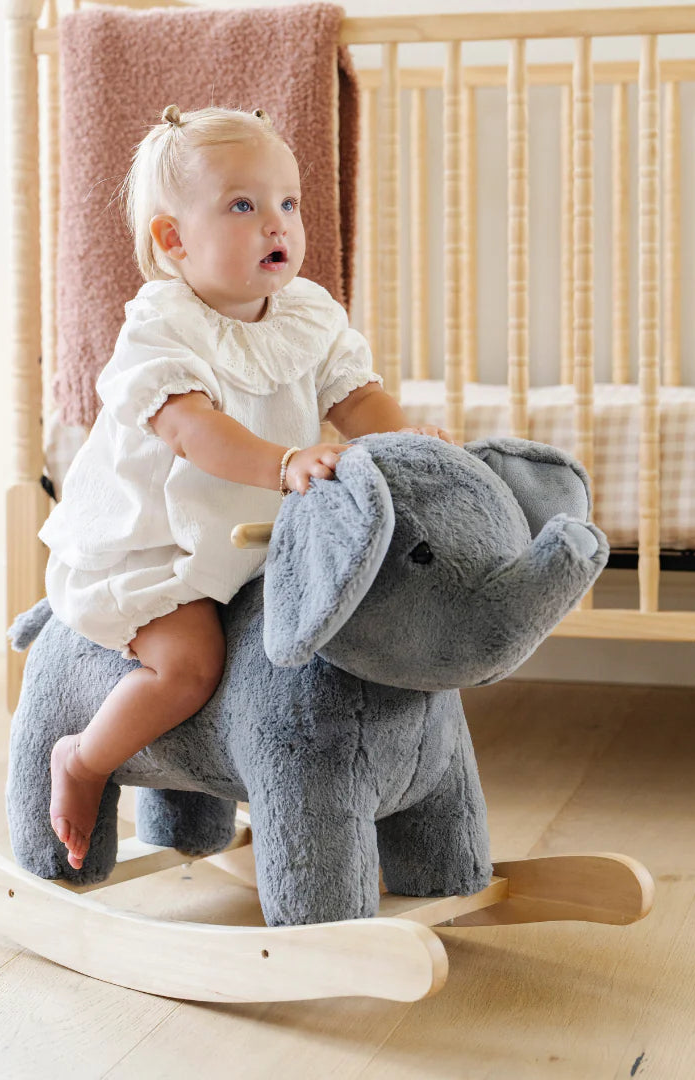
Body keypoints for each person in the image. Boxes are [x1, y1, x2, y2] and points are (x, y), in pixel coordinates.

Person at [39, 104, 453, 870]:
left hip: (257, 538)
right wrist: (286, 462)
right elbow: (194, 431)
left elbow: (355, 396)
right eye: (243, 206)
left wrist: (397, 441)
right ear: (174, 239)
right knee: (190, 664)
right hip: (160, 545)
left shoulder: (307, 312)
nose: (278, 225)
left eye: (288, 204)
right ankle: (85, 760)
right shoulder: (159, 328)